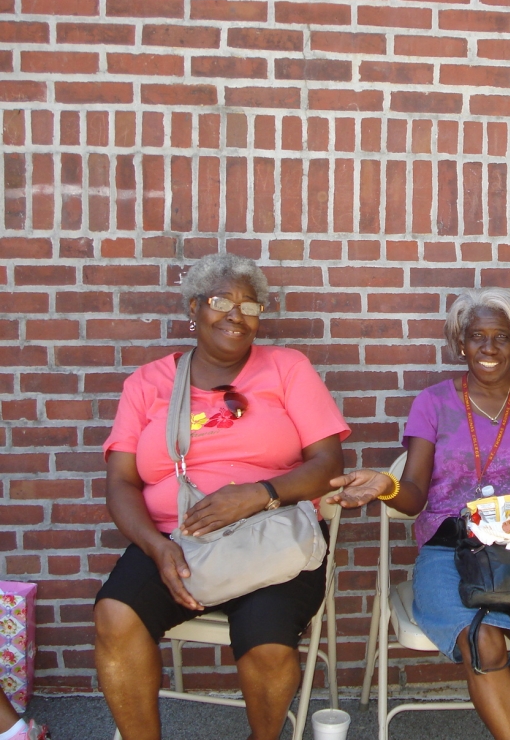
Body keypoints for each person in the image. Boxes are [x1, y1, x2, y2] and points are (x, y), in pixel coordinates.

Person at [93, 253, 349, 740]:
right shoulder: (147, 383)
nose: (236, 315)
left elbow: (327, 465)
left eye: (249, 306)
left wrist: (260, 494)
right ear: (194, 309)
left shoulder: (288, 368)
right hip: (176, 542)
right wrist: (156, 547)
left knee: (268, 645)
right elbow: (121, 482)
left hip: (272, 536)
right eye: (221, 302)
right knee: (115, 614)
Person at [327, 288, 510, 740]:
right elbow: (414, 496)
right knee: (484, 641)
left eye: (501, 336)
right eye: (477, 336)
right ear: (460, 344)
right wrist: (387, 486)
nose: (489, 347)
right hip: (449, 552)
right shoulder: (434, 403)